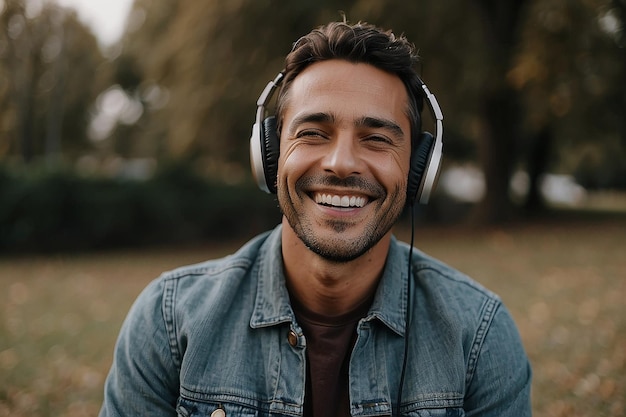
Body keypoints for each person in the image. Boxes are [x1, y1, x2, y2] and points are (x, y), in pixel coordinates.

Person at [100, 19, 532, 417]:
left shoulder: (479, 336)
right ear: (268, 155)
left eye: (377, 138)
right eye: (312, 133)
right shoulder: (169, 320)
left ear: (419, 169)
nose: (341, 163)